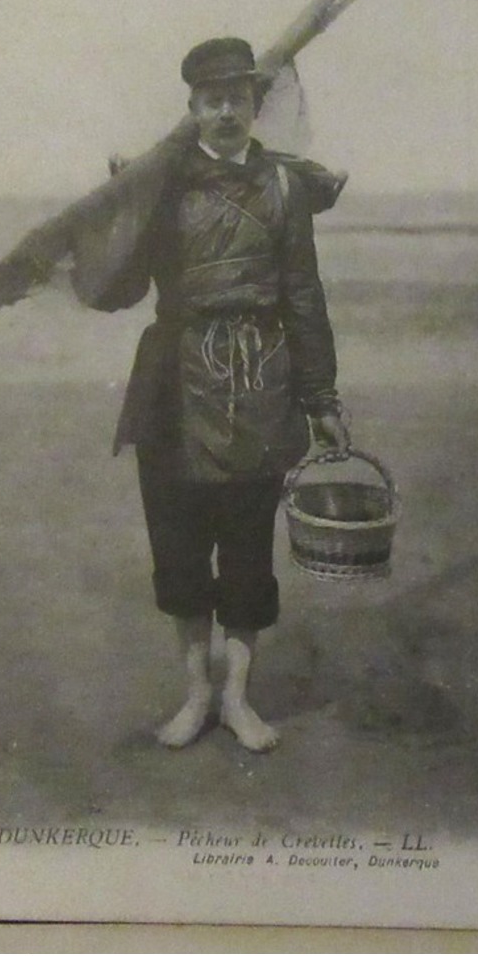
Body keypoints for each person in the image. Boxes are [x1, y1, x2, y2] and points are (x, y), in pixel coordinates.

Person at [121, 37, 351, 752]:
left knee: (248, 550)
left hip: (260, 380)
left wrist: (321, 400)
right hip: (172, 386)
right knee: (180, 548)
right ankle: (195, 696)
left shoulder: (284, 186)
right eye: (212, 99)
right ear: (192, 108)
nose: (226, 111)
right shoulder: (161, 183)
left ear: (257, 106)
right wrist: (120, 215)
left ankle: (238, 698)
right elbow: (118, 288)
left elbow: (304, 295)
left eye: (238, 99)